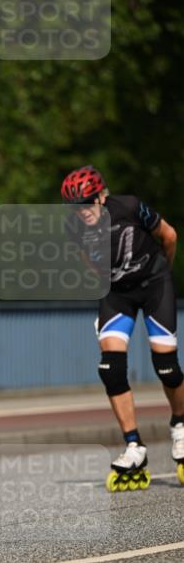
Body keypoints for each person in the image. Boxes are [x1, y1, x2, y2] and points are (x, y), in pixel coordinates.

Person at [61, 166, 184, 489]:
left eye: (88, 203)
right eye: (77, 207)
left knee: (166, 366)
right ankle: (134, 446)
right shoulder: (74, 227)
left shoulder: (129, 207)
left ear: (102, 196)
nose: (83, 211)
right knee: (110, 368)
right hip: (117, 293)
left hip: (155, 285)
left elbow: (169, 235)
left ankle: (181, 427)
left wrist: (164, 275)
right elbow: (85, 257)